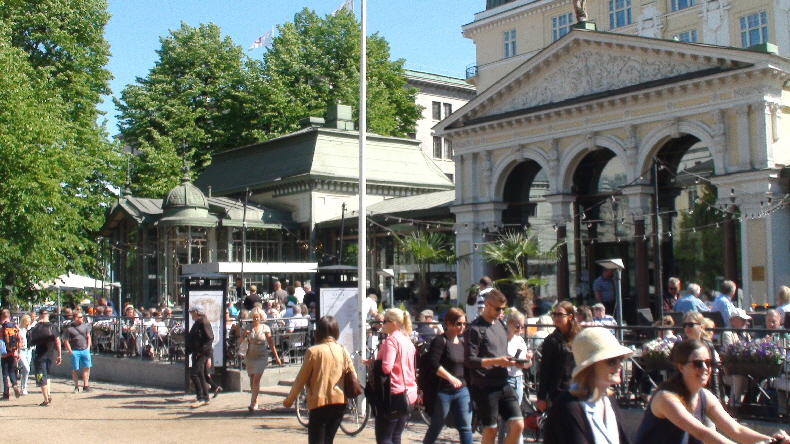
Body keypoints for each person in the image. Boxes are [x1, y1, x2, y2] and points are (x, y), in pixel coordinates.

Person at [633, 339, 790, 444]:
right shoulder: (666, 398)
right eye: (698, 364)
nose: (705, 369)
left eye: (708, 363)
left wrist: (772, 441)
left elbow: (737, 430)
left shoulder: (704, 396)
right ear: (681, 367)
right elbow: (703, 434)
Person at [543, 327, 633, 444]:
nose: (619, 365)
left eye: (620, 359)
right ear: (590, 367)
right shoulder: (567, 406)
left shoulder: (608, 400)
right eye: (612, 360)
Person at [464, 289, 524, 444]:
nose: (500, 312)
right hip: (484, 385)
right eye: (498, 308)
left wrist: (514, 360)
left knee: (518, 424)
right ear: (487, 305)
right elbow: (470, 361)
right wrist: (496, 361)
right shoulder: (475, 329)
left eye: (503, 309)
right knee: (491, 429)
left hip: (504, 382)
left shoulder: (500, 325)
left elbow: (501, 350)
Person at [284, 316, 355, 444]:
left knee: (316, 440)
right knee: (329, 440)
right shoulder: (343, 350)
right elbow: (352, 375)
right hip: (339, 402)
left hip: (319, 402)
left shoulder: (313, 351)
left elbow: (301, 379)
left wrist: (289, 400)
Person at [422, 308, 472, 444]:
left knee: (466, 426)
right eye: (459, 324)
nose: (462, 327)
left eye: (464, 324)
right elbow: (433, 363)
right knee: (437, 426)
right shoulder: (440, 341)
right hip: (443, 391)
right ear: (449, 323)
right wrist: (450, 377)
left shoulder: (462, 343)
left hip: (462, 389)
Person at [375, 308, 417, 444]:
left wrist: (375, 362)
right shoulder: (407, 340)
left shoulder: (391, 340)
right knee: (396, 435)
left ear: (394, 323)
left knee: (384, 438)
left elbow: (386, 368)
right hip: (409, 393)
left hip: (394, 394)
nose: (382, 324)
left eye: (385, 321)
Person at [537, 300, 580, 412]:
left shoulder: (580, 337)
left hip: (578, 387)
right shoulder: (551, 341)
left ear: (570, 316)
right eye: (554, 314)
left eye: (560, 314)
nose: (556, 318)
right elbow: (544, 369)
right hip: (558, 391)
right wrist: (541, 397)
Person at [497, 309, 533, 444]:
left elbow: (526, 364)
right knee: (512, 419)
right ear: (509, 323)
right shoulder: (502, 340)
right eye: (518, 326)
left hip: (518, 379)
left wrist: (528, 359)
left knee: (513, 419)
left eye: (522, 326)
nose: (520, 329)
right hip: (507, 379)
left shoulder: (520, 340)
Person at [240, 307, 281, 411]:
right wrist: (244, 334)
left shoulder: (265, 328)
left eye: (257, 317)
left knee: (256, 379)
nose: (255, 319)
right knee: (252, 379)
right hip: (250, 355)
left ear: (261, 317)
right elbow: (240, 341)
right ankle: (255, 399)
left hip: (261, 355)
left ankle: (252, 402)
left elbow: (271, 343)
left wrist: (277, 357)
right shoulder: (248, 327)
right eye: (254, 318)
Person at [721, 309, 752, 409]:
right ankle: (733, 407)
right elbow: (729, 352)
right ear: (732, 321)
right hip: (728, 370)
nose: (745, 322)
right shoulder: (727, 333)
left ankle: (749, 406)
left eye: (745, 320)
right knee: (739, 377)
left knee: (755, 377)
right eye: (742, 320)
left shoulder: (746, 334)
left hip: (745, 367)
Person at [31, 309, 61, 406]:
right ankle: (48, 394)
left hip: (40, 354)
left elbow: (29, 335)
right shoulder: (53, 326)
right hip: (50, 354)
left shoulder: (37, 326)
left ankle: (46, 399)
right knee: (47, 375)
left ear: (40, 315)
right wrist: (59, 354)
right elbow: (57, 341)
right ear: (47, 315)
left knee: (41, 377)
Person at [186, 305, 213, 408]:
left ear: (197, 312)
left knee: (194, 374)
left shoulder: (203, 322)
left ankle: (200, 397)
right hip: (197, 352)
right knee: (200, 374)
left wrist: (201, 351)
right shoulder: (199, 322)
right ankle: (205, 397)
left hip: (201, 353)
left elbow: (209, 338)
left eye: (192, 312)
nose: (191, 314)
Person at [63, 311, 92, 393]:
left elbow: (88, 336)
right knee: (75, 369)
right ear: (75, 318)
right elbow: (66, 341)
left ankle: (85, 385)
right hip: (75, 350)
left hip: (84, 350)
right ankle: (76, 386)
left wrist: (88, 347)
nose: (82, 318)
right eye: (80, 317)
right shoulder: (69, 329)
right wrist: (70, 351)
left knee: (87, 367)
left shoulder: (85, 327)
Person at [0, 309, 21, 399]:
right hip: (13, 351)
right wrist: (17, 351)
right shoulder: (14, 325)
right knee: (11, 370)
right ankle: (15, 384)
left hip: (4, 351)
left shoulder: (2, 326)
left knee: (4, 373)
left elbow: (1, 339)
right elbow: (19, 338)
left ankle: (6, 393)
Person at [18, 314, 32, 396]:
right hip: (22, 350)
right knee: (27, 369)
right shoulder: (20, 330)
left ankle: (23, 387)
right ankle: (24, 387)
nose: (28, 323)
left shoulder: (30, 330)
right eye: (27, 321)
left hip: (29, 350)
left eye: (29, 322)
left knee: (25, 371)